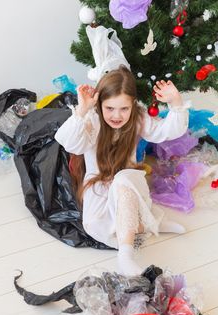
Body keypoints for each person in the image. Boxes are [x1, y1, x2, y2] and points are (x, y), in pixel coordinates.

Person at [55, 66, 189, 276]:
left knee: (123, 179)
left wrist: (176, 103)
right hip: (100, 187)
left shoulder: (137, 118)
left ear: (133, 105)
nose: (117, 116)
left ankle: (125, 256)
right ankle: (148, 221)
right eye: (110, 108)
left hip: (129, 183)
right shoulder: (93, 120)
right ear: (100, 104)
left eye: (124, 109)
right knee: (96, 225)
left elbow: (165, 132)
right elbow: (70, 144)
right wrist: (82, 110)